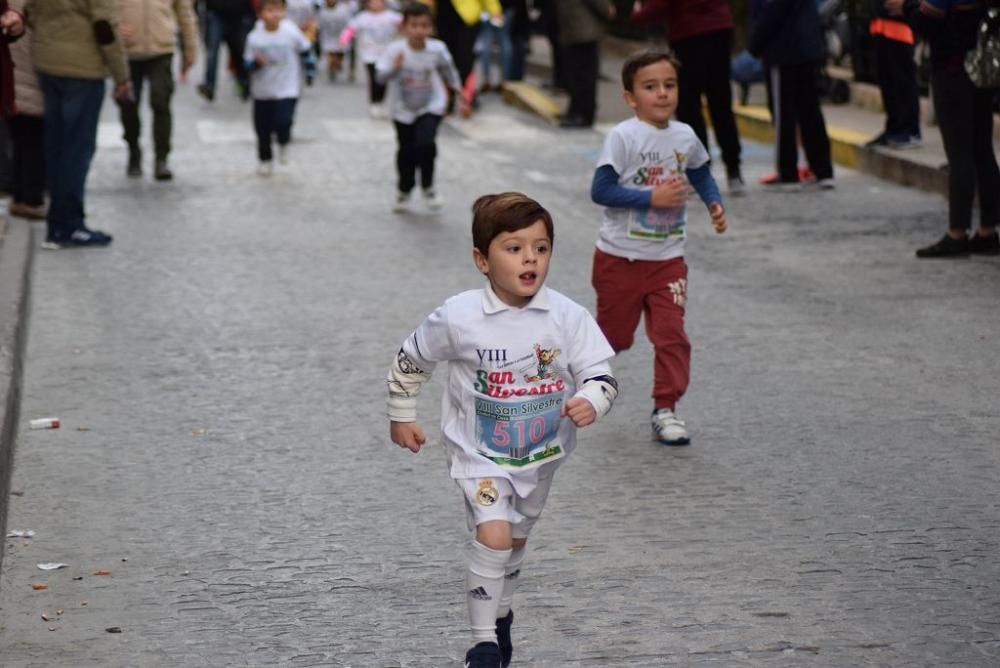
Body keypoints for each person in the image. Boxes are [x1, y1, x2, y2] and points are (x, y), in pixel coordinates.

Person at [386, 191, 619, 668]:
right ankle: (482, 645)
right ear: (481, 260)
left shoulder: (567, 317)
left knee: (513, 542)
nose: (530, 258)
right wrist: (401, 414)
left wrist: (592, 399)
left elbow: (602, 372)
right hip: (478, 453)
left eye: (541, 247)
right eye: (514, 248)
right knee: (492, 534)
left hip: (541, 453)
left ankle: (501, 613)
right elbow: (412, 359)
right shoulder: (458, 316)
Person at [590, 49, 727, 446]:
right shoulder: (623, 136)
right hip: (619, 258)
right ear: (631, 97)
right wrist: (652, 198)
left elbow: (700, 170)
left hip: (668, 260)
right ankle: (574, 373)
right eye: (651, 87)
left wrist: (713, 202)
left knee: (671, 335)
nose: (663, 94)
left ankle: (665, 408)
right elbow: (600, 190)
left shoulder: (685, 135)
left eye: (669, 85)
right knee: (615, 338)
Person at [27, 0, 132, 248]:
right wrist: (121, 75)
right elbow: (104, 26)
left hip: (47, 61)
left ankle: (57, 224)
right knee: (77, 150)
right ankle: (70, 224)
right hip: (82, 67)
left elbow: (29, 12)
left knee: (56, 147)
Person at [905, 0, 999, 258]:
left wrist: (905, 8)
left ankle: (957, 233)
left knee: (960, 152)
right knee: (982, 147)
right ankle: (987, 231)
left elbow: (930, 16)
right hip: (982, 65)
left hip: (953, 66)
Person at [630, 0, 746, 194]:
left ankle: (700, 169)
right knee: (721, 102)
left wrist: (639, 13)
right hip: (720, 29)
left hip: (689, 34)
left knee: (689, 106)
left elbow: (659, 6)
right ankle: (733, 169)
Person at [376, 2, 462, 213]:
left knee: (425, 143)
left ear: (431, 28)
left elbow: (448, 71)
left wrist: (458, 90)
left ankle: (428, 186)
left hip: (431, 105)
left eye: (424, 26)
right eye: (414, 25)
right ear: (404, 27)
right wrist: (394, 68)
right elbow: (379, 77)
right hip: (402, 108)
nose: (419, 31)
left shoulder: (437, 49)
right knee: (406, 150)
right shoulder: (395, 50)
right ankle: (404, 190)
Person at [748, 0, 835, 191]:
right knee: (810, 110)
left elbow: (773, 9)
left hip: (782, 47)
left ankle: (788, 173)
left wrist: (755, 44)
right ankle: (823, 170)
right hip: (805, 45)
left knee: (783, 112)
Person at [118, 0, 199, 180]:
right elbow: (102, 8)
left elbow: (185, 12)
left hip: (161, 49)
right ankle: (133, 148)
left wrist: (190, 47)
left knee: (160, 101)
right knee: (128, 103)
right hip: (128, 51)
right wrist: (113, 28)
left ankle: (161, 158)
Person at [244, 0, 311, 175]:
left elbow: (305, 50)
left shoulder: (290, 31)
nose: (273, 14)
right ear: (260, 13)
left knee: (283, 121)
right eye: (269, 10)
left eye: (278, 10)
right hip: (263, 90)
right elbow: (246, 63)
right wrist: (255, 65)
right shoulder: (255, 37)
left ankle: (284, 141)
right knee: (262, 128)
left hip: (287, 87)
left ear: (284, 11)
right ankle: (265, 159)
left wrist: (310, 73)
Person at [6, 0, 44, 220]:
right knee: (32, 143)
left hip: (15, 82)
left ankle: (20, 196)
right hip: (28, 81)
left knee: (21, 141)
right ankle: (30, 199)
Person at [866, 0, 922, 149]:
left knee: (902, 81)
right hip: (882, 26)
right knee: (888, 82)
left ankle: (909, 131)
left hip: (900, 27)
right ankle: (895, 128)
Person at [553, 0, 614, 128]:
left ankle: (584, 115)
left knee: (584, 77)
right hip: (573, 30)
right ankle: (575, 111)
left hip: (584, 32)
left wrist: (608, 10)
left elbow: (601, 5)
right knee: (575, 76)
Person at [340, 0, 401, 117]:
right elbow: (351, 29)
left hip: (386, 55)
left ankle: (380, 102)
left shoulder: (391, 16)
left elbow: (404, 24)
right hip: (369, 55)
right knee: (374, 79)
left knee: (383, 79)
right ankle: (374, 103)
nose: (376, 4)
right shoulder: (363, 17)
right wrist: (344, 40)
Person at [198, 0, 254, 101]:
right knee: (212, 52)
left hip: (238, 17)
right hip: (217, 15)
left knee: (239, 53)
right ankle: (209, 85)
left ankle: (243, 83)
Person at [317, 0, 354, 82]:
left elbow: (349, 25)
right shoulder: (322, 11)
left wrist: (346, 38)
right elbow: (319, 25)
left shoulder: (343, 10)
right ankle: (332, 69)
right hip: (328, 37)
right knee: (331, 54)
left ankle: (338, 63)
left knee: (340, 54)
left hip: (341, 36)